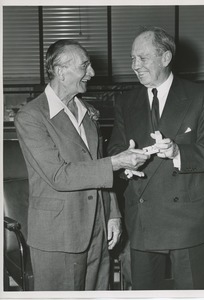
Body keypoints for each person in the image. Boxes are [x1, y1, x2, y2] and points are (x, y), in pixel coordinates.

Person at [14, 39, 149, 291]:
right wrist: (117, 161)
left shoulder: (89, 113)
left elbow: (97, 168)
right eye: (85, 66)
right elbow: (58, 175)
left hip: (97, 229)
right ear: (61, 71)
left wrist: (113, 214)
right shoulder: (31, 117)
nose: (92, 73)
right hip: (59, 234)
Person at [108, 26, 204, 290]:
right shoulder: (125, 102)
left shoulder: (200, 96)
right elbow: (115, 149)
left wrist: (177, 153)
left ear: (165, 58)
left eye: (142, 58)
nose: (134, 66)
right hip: (142, 220)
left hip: (188, 220)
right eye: (132, 59)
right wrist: (125, 164)